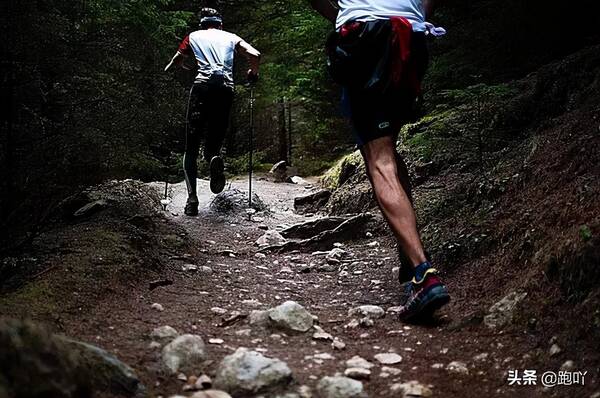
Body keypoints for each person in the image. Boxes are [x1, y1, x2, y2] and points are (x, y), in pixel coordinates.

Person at [309, 0, 450, 321]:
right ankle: (410, 261)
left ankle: (423, 274)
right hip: (411, 39)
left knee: (379, 159)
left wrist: (340, 16)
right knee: (389, 149)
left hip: (364, 38)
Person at [165, 8, 261, 216]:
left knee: (191, 146)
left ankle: (192, 201)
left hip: (202, 87)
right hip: (225, 88)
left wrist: (174, 67)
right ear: (220, 25)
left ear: (202, 24)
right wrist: (253, 73)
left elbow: (176, 61)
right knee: (214, 141)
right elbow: (255, 54)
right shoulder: (231, 37)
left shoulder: (193, 36)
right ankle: (213, 159)